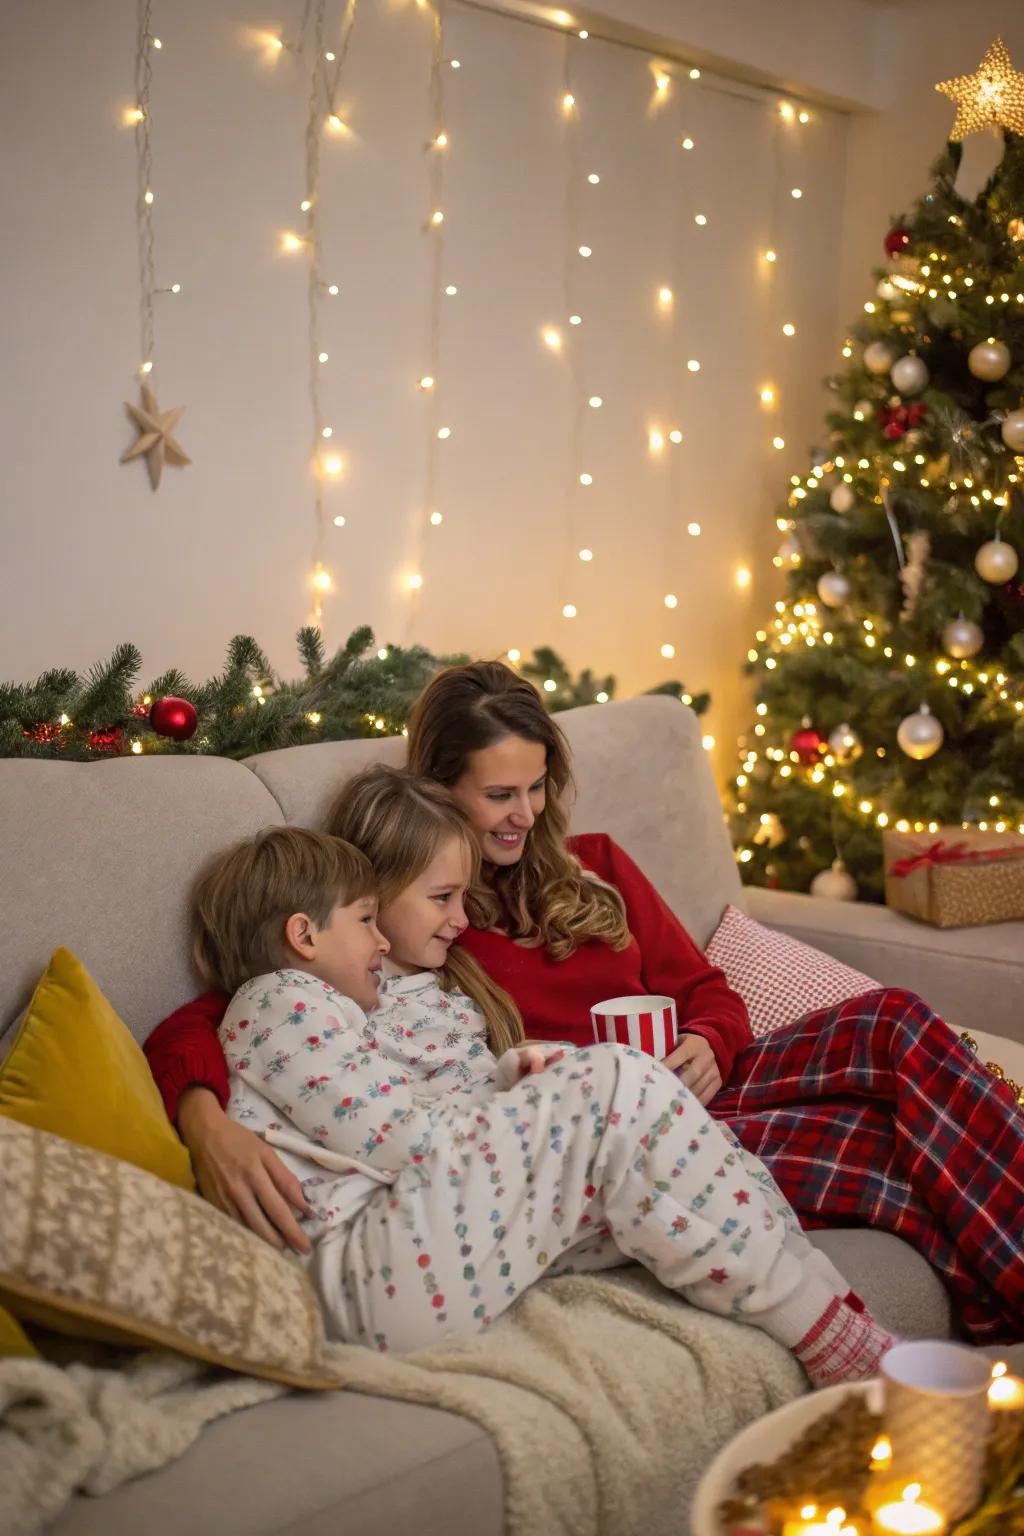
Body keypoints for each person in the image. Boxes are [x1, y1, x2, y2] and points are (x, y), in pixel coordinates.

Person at [146, 662, 1024, 1344]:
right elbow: (252, 993)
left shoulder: (595, 863)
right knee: (885, 1158)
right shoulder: (409, 910)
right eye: (498, 794)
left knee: (896, 1020)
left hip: (714, 1080)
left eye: (535, 788)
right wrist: (199, 1112)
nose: (523, 814)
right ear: (439, 786)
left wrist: (714, 1041)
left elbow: (707, 990)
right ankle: (995, 1319)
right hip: (626, 1134)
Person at [187, 765, 893, 1379]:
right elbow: (404, 1139)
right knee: (618, 1083)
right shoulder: (279, 1000)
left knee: (668, 1141)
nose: (379, 939)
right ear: (304, 936)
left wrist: (520, 1083)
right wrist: (544, 1108)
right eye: (367, 919)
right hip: (362, 1278)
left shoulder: (368, 1000)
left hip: (421, 1241)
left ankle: (836, 1317)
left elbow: (418, 1115)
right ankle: (830, 1335)